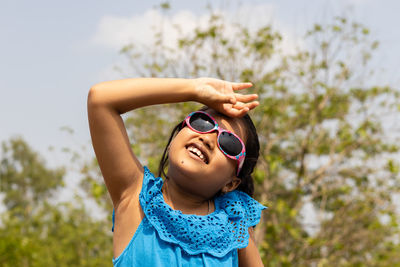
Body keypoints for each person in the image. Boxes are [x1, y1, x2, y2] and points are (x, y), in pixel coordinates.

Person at [87, 77, 266, 266]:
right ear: (177, 136)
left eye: (229, 143)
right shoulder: (135, 197)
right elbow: (100, 99)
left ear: (231, 183)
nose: (207, 138)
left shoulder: (234, 222)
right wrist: (195, 89)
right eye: (202, 122)